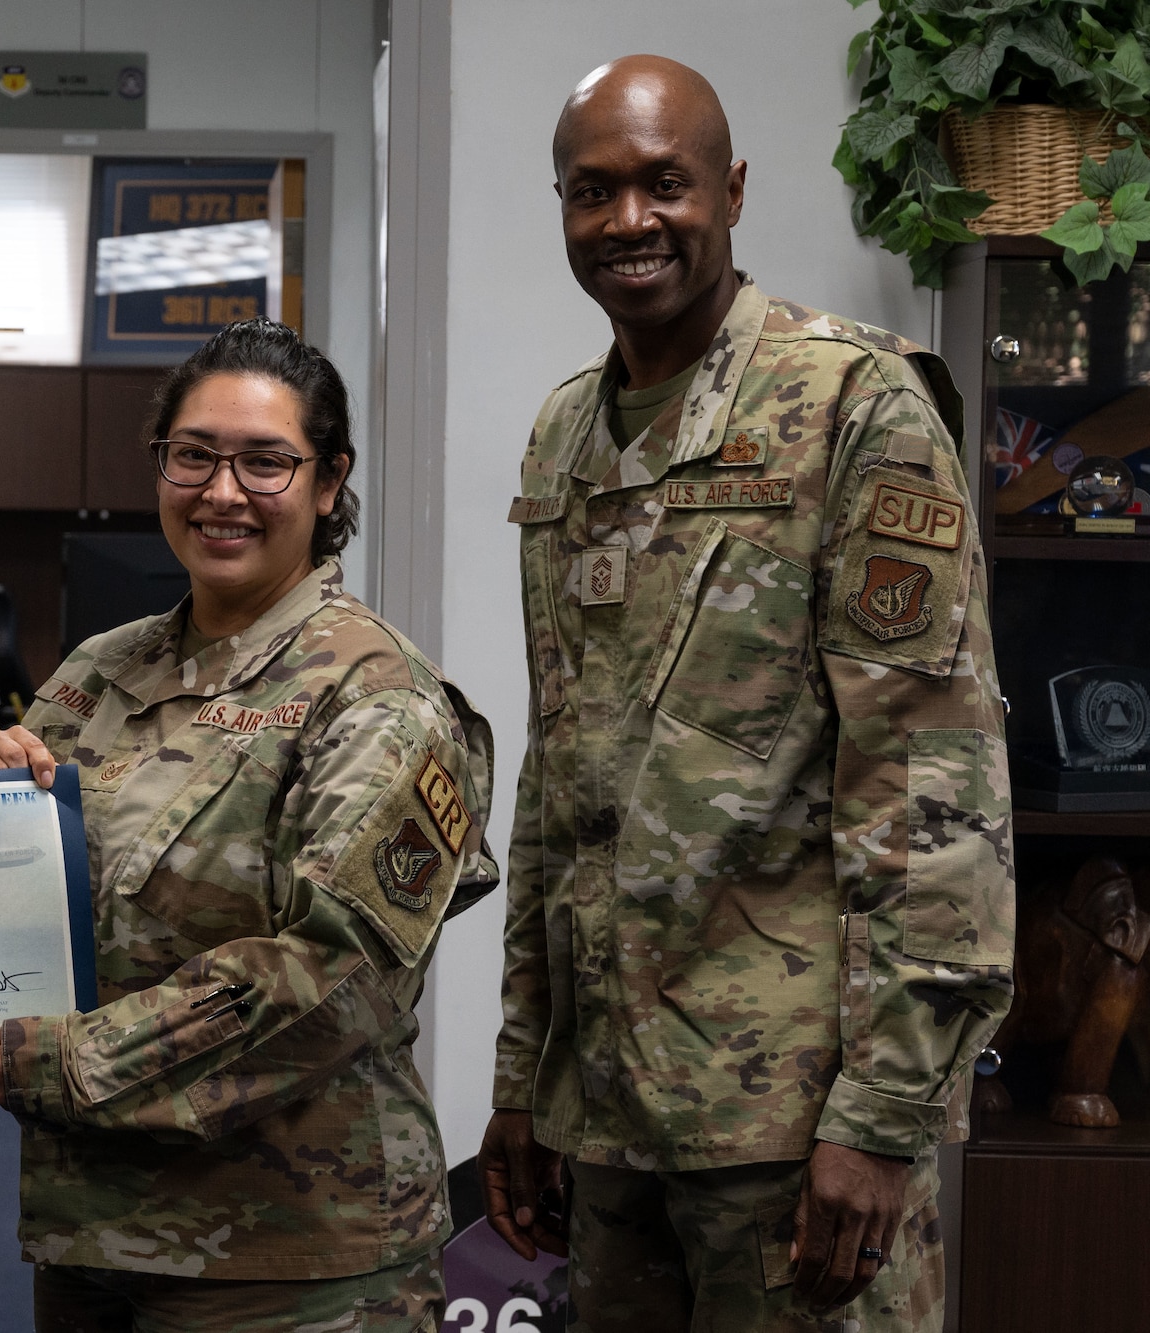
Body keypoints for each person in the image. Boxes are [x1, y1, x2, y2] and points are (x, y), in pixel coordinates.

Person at [479, 55, 1013, 1332]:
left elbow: (929, 784)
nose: (628, 220)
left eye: (663, 183)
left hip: (793, 1127)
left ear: (728, 190)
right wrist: (525, 1078)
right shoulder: (566, 433)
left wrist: (880, 1116)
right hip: (609, 1114)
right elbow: (558, 788)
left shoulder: (852, 404)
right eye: (591, 191)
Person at [0, 319, 497, 1332]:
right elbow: (30, 917)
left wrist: (74, 1060)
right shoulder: (99, 672)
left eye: (265, 462)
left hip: (291, 1257)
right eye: (192, 454)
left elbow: (334, 980)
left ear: (328, 481)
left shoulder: (376, 695)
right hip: (94, 1233)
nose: (221, 491)